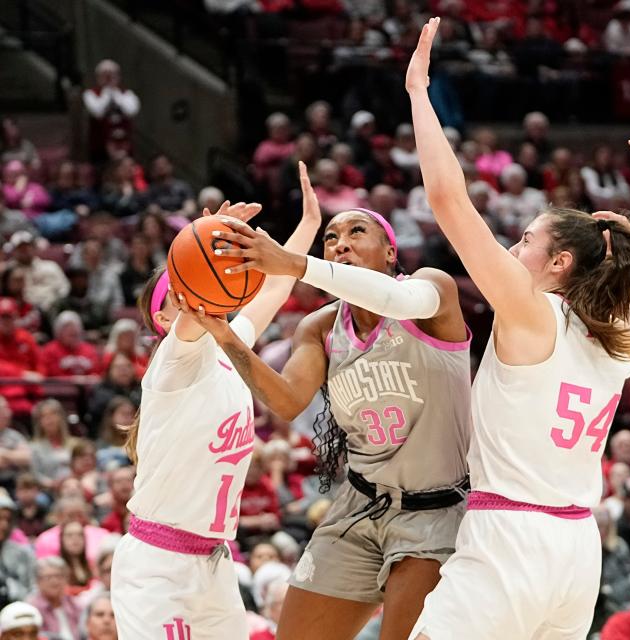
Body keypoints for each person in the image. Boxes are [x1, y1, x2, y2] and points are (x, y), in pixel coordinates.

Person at [404, 19, 630, 640]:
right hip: (578, 548)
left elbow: (446, 198)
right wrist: (621, 252)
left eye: (525, 240)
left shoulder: (529, 309)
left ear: (559, 264)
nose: (513, 250)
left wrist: (418, 92)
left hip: (509, 540)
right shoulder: (618, 339)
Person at [163, 165, 472, 640]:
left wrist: (294, 263)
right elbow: (286, 401)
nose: (340, 243)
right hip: (359, 504)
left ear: (391, 252)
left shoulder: (432, 291)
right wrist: (223, 332)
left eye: (356, 231)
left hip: (433, 514)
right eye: (330, 236)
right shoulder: (321, 327)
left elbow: (402, 298)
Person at [109, 190, 321, 640]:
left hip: (216, 562)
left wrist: (308, 225)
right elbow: (195, 306)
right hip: (158, 568)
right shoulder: (172, 364)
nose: (194, 296)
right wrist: (213, 241)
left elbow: (278, 287)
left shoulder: (228, 345)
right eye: (180, 291)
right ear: (162, 320)